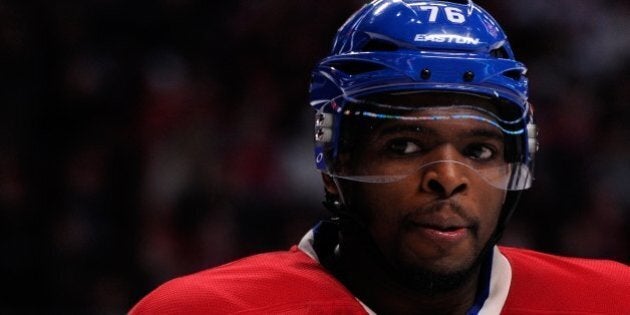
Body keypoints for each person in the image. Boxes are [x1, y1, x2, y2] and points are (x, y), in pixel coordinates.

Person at [130, 0, 630, 314]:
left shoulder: (613, 301)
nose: (448, 178)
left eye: (479, 150)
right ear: (334, 162)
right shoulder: (204, 311)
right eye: (404, 146)